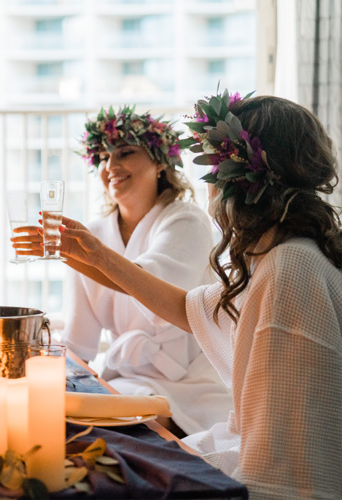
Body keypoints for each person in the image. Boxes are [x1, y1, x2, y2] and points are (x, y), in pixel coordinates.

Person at [54, 91, 342, 499]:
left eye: (213, 168)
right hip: (247, 446)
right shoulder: (281, 255)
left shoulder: (289, 267)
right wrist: (95, 255)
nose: (207, 184)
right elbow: (187, 309)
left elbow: (285, 454)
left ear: (242, 179)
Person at [13, 106, 232, 436]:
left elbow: (151, 285)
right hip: (125, 380)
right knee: (48, 416)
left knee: (123, 430)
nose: (111, 166)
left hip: (192, 384)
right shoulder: (92, 235)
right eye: (103, 157)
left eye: (125, 153)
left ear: (160, 162)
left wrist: (83, 255)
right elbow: (79, 344)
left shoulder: (187, 220)